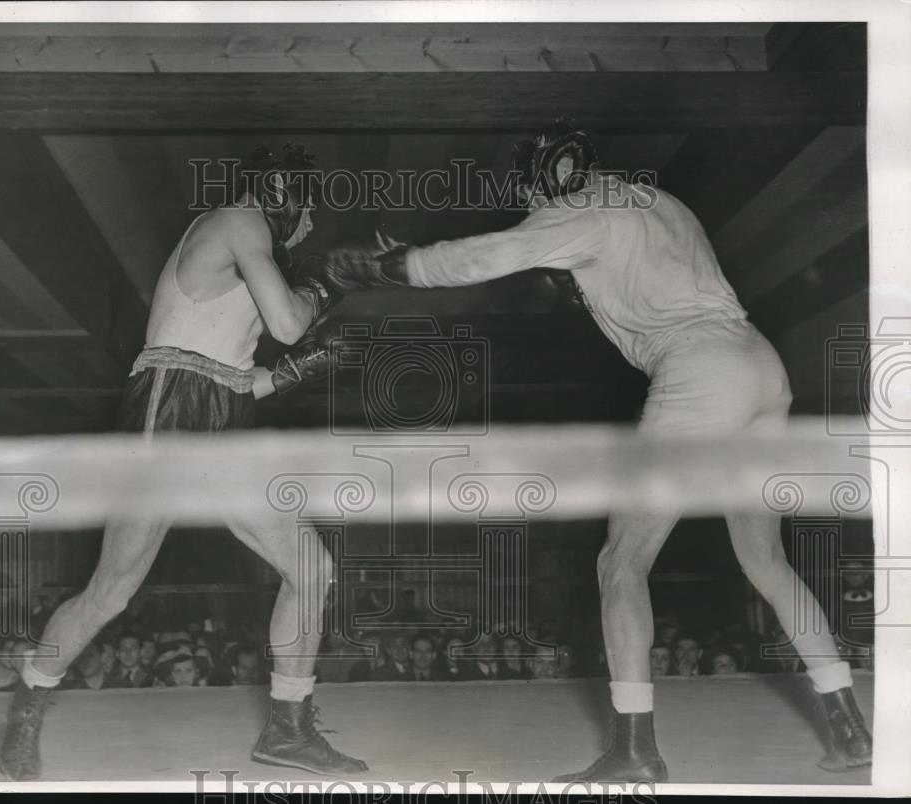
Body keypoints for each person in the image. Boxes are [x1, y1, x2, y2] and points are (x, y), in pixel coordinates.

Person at [324, 120, 872, 780]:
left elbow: (482, 258)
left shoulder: (579, 207)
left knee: (621, 562)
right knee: (766, 559)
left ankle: (634, 752)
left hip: (700, 371)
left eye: (536, 194)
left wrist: (390, 266)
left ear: (553, 176)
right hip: (761, 367)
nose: (536, 209)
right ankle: (850, 727)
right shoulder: (661, 203)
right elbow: (633, 272)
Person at [0, 144, 366, 780]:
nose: (306, 226)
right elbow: (287, 321)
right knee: (112, 589)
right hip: (169, 408)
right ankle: (28, 702)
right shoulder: (239, 221)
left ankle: (288, 728)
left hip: (220, 409)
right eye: (305, 210)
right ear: (282, 193)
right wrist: (333, 279)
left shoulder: (246, 260)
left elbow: (243, 378)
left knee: (312, 568)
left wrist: (303, 367)